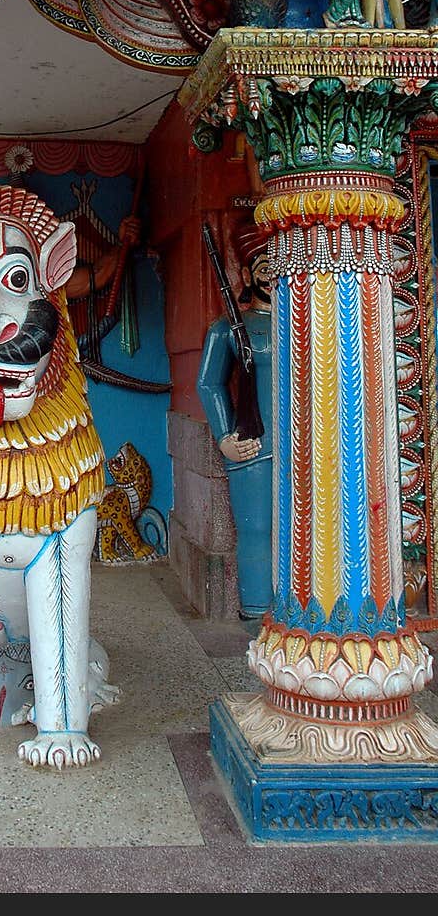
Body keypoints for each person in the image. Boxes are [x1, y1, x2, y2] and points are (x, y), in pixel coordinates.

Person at [196, 222, 273, 620]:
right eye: (262, 265)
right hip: (254, 447)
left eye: (279, 262)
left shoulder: (308, 324)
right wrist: (225, 435)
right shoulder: (226, 329)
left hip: (305, 445)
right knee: (257, 530)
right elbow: (209, 385)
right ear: (245, 275)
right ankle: (259, 610)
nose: (271, 272)